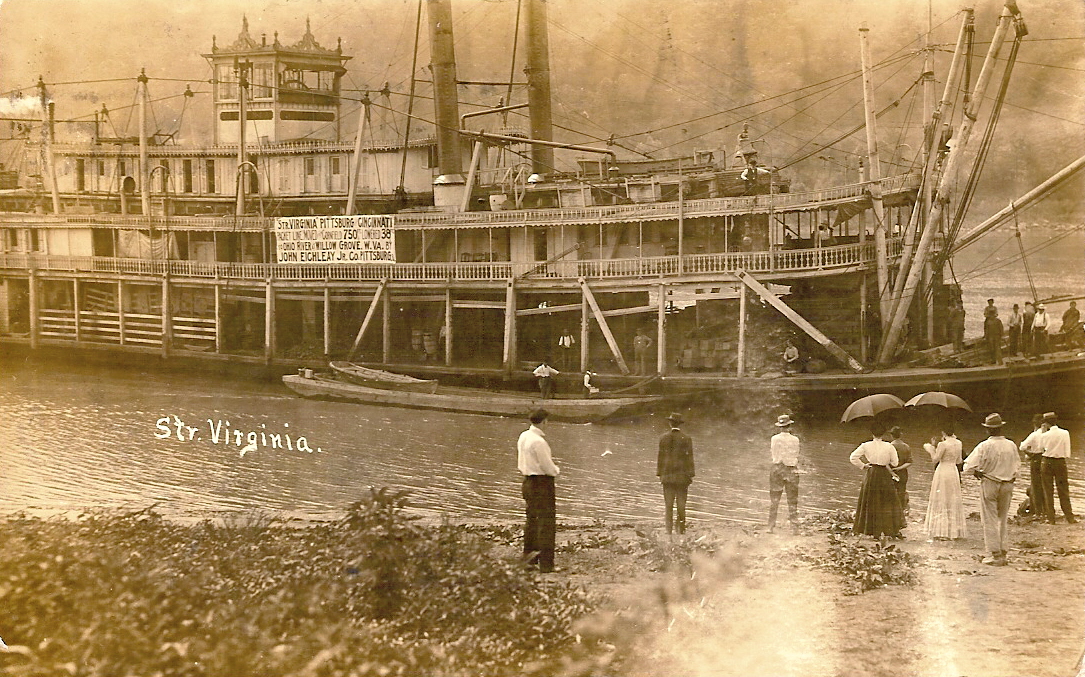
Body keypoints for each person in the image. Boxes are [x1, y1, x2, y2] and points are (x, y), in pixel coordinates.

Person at [962, 413, 1020, 566]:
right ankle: (1003, 550)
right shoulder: (1011, 445)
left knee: (990, 518)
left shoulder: (985, 446)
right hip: (1007, 483)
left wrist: (977, 472)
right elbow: (1017, 466)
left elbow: (967, 466)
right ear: (1001, 428)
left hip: (990, 482)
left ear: (988, 430)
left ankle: (994, 553)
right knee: (1003, 517)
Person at [517, 409, 560, 573]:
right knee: (546, 523)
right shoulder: (539, 442)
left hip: (527, 481)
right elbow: (547, 467)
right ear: (544, 421)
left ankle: (529, 560)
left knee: (532, 521)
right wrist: (556, 470)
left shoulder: (524, 436)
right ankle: (546, 565)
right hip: (542, 483)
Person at [849, 422, 904, 539]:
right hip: (883, 474)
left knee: (870, 500)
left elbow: (853, 457)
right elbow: (895, 463)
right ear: (884, 434)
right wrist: (886, 460)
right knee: (886, 501)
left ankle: (871, 530)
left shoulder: (866, 445)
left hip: (872, 472)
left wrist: (863, 465)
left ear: (872, 433)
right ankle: (887, 530)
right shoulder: (889, 446)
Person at [923, 423, 966, 540]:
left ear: (943, 433)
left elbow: (935, 459)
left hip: (943, 470)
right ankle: (953, 530)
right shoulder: (959, 443)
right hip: (953, 471)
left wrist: (931, 449)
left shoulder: (943, 444)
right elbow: (959, 461)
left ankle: (941, 530)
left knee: (941, 497)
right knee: (952, 498)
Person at [657, 412, 695, 535]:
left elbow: (660, 458)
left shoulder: (663, 438)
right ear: (680, 424)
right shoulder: (686, 438)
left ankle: (668, 531)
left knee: (668, 506)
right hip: (682, 478)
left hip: (667, 477)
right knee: (681, 506)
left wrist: (660, 474)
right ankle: (680, 531)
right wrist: (690, 475)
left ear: (670, 423)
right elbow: (690, 459)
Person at [1040, 412, 1077, 524]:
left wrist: (1043, 433)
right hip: (1060, 461)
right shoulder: (1065, 433)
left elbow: (1041, 449)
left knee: (1048, 490)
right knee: (1063, 490)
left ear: (1046, 423)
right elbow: (1067, 451)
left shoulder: (1044, 435)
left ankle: (1051, 518)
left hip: (1047, 461)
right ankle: (1069, 517)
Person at [768, 414, 801, 533]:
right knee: (792, 499)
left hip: (777, 468)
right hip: (791, 469)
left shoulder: (774, 438)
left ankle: (771, 526)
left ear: (779, 427)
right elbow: (796, 454)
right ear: (790, 426)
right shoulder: (795, 439)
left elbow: (773, 453)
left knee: (774, 498)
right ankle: (794, 527)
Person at [1018, 414, 1047, 520]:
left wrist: (1030, 453)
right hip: (1046, 459)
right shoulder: (1048, 434)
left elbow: (1022, 447)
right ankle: (1045, 509)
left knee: (1036, 485)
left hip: (1036, 459)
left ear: (1034, 424)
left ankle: (1037, 511)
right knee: (1045, 485)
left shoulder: (1034, 434)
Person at [888, 426, 913, 518]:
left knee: (889, 492)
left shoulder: (889, 446)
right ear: (900, 435)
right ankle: (900, 514)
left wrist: (892, 470)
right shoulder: (906, 447)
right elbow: (909, 462)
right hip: (902, 472)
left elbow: (885, 462)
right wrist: (899, 468)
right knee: (901, 492)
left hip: (890, 472)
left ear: (891, 436)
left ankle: (890, 513)